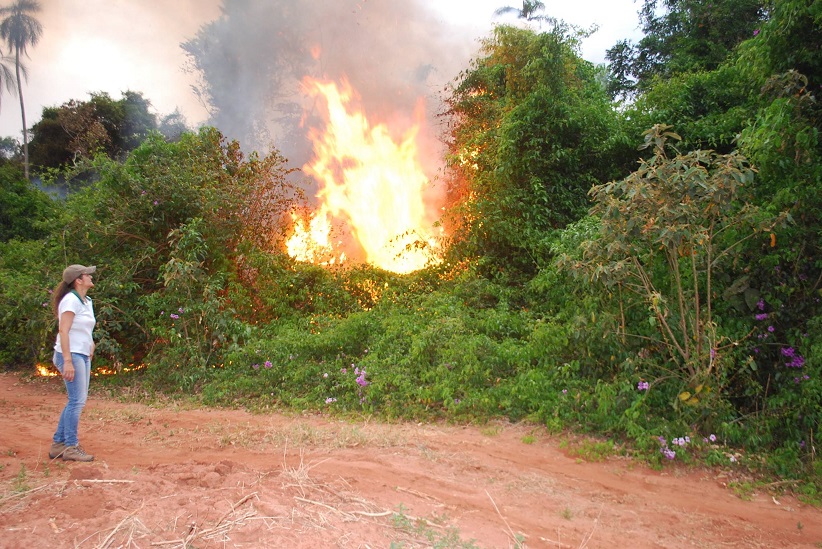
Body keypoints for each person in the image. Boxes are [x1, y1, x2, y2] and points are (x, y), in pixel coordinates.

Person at [49, 264, 97, 462]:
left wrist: (91, 344)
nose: (91, 277)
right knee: (77, 401)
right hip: (71, 355)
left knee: (76, 400)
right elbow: (64, 331)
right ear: (78, 280)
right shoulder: (70, 301)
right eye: (87, 275)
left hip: (82, 354)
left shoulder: (87, 301)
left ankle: (58, 445)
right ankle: (70, 446)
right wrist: (67, 361)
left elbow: (84, 327)